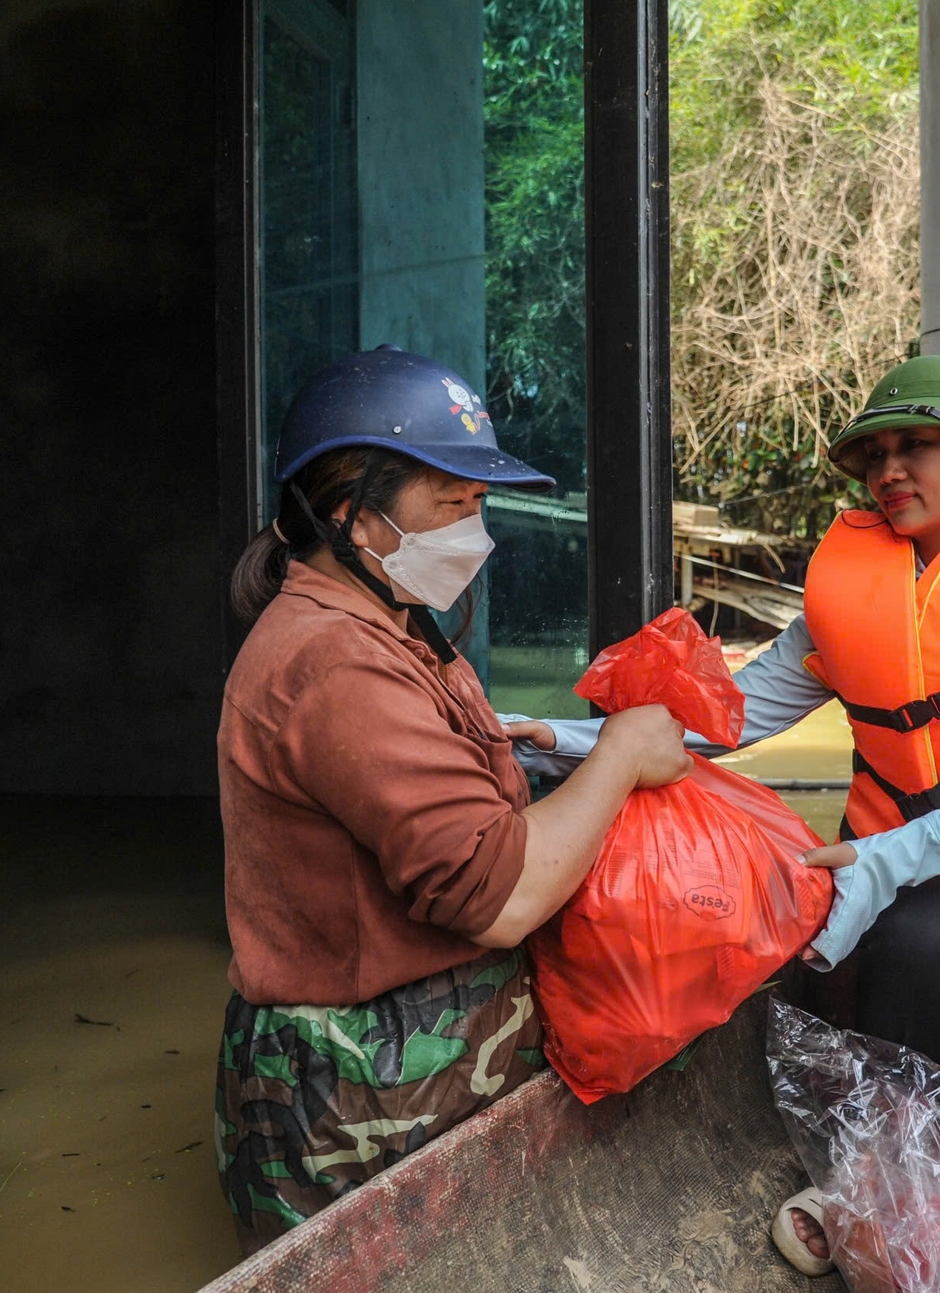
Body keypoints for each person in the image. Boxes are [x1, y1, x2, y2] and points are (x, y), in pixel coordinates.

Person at [512, 357, 940, 1275]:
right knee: (908, 948)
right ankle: (889, 1181)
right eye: (876, 456)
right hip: (926, 873)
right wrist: (570, 742)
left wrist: (885, 859)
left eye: (918, 447)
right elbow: (731, 714)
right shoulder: (852, 592)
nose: (890, 471)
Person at [214, 345, 690, 1252]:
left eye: (480, 504)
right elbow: (501, 898)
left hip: (427, 1059)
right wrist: (621, 752)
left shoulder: (385, 620)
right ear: (358, 517)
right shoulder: (334, 659)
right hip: (362, 1099)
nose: (477, 531)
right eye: (451, 504)